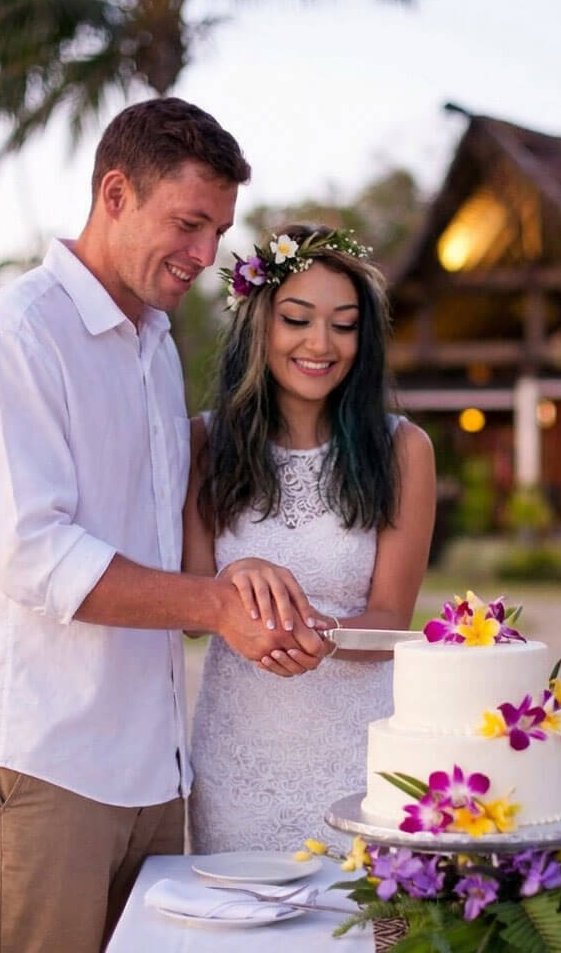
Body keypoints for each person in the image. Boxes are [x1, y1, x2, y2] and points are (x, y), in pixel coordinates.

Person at [0, 99, 330, 953]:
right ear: (115, 192)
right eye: (188, 224)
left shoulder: (154, 346)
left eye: (217, 231)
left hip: (156, 775)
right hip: (44, 764)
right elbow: (36, 556)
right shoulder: (13, 336)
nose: (204, 256)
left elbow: (165, 536)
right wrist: (217, 605)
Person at [184, 224, 436, 852]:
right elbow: (191, 610)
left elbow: (391, 622)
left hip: (358, 750)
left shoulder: (404, 449)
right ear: (258, 324)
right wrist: (233, 585)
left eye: (344, 324)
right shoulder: (203, 443)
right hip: (238, 754)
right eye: (297, 319)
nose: (321, 343)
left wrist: (321, 636)